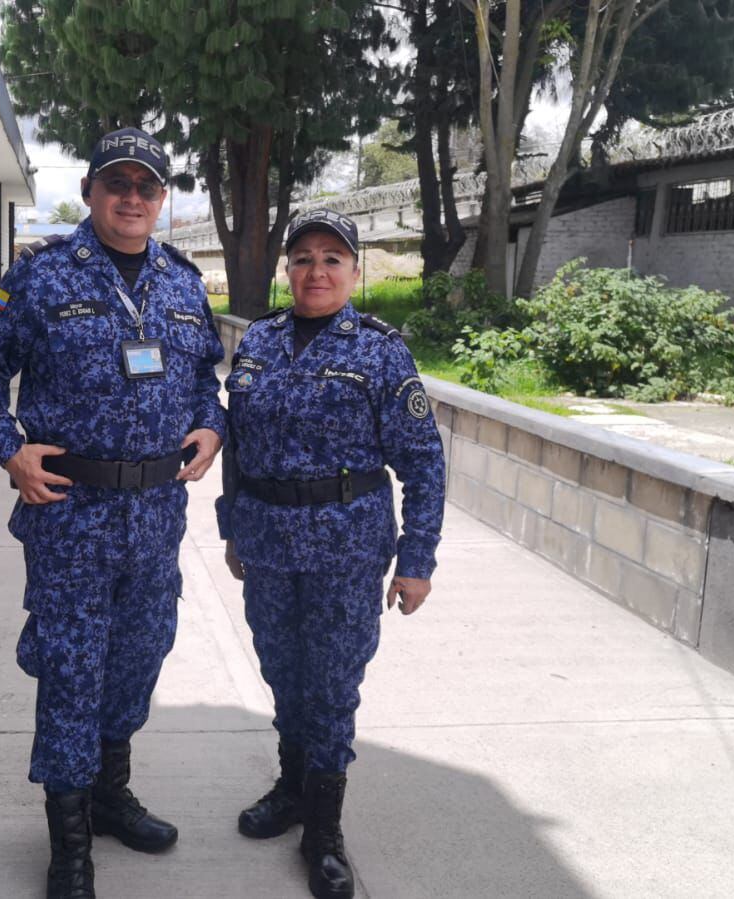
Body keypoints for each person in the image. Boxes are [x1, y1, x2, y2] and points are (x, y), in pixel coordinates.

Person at [0, 126, 225, 899]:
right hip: (70, 513)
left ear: (160, 197)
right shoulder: (39, 277)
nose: (132, 198)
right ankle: (68, 841)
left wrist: (213, 423)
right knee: (72, 671)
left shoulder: (179, 281)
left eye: (146, 186)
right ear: (91, 193)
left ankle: (110, 792)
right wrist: (8, 445)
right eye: (118, 184)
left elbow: (206, 379)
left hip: (154, 514)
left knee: (139, 658)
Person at [215, 209, 446, 899]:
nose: (316, 271)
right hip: (267, 544)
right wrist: (233, 527)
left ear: (353, 270)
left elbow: (423, 463)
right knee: (281, 670)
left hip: (345, 549)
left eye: (332, 259)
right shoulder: (256, 341)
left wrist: (416, 558)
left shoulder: (379, 350)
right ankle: (291, 787)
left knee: (332, 685)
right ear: (287, 268)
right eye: (303, 258)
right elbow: (238, 448)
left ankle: (323, 829)